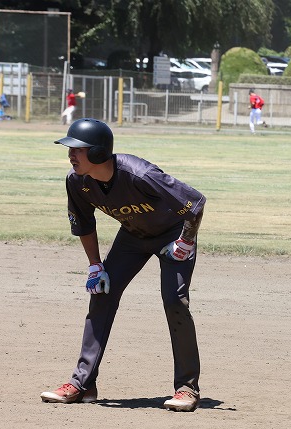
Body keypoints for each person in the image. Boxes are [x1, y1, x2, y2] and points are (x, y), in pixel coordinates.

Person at [41, 118, 207, 412]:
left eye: (78, 149)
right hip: (133, 236)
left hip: (174, 235)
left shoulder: (139, 174)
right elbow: (84, 224)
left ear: (97, 152)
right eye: (70, 149)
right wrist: (95, 266)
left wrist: (186, 241)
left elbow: (194, 203)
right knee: (102, 295)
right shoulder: (77, 181)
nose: (71, 155)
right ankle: (83, 384)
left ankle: (187, 388)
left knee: (175, 301)